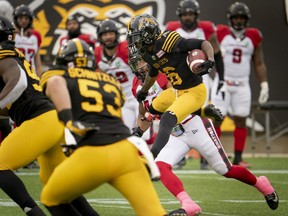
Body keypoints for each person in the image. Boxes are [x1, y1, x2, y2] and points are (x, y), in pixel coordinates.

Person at [129, 53, 279, 216]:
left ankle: (262, 184)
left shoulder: (164, 75)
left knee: (225, 170)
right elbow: (143, 112)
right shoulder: (136, 84)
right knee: (161, 165)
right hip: (174, 132)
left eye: (144, 62)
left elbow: (180, 100)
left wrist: (200, 111)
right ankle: (188, 204)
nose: (141, 66)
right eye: (138, 64)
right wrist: (138, 131)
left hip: (194, 125)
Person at [39, 38, 169, 216]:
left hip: (93, 152)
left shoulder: (60, 77)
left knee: (49, 197)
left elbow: (54, 84)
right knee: (153, 212)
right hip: (125, 152)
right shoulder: (110, 81)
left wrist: (68, 118)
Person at [0, 16, 99, 216]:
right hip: (50, 119)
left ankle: (33, 212)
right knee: (57, 188)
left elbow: (18, 84)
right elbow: (12, 101)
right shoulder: (13, 55)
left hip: (39, 121)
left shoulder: (4, 56)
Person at [127, 14, 215, 159]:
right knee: (151, 107)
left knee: (167, 118)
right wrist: (144, 91)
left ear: (148, 34)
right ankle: (202, 112)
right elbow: (153, 74)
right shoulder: (147, 53)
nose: (134, 41)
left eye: (136, 36)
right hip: (177, 91)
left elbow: (203, 43)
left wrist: (210, 60)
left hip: (194, 91)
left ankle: (152, 154)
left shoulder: (166, 41)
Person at [166, 0, 225, 170]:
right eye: (185, 14)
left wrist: (220, 77)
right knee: (178, 114)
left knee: (204, 113)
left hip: (200, 78)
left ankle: (207, 156)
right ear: (180, 15)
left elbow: (218, 54)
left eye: (191, 14)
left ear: (196, 15)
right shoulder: (172, 29)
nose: (188, 17)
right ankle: (180, 155)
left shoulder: (206, 28)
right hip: (178, 78)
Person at [211, 2, 269, 167]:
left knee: (241, 120)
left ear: (247, 19)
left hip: (242, 83)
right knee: (217, 119)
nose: (238, 21)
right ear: (230, 18)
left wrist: (264, 84)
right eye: (235, 17)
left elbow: (259, 63)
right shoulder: (220, 33)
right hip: (223, 82)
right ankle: (214, 156)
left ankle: (238, 158)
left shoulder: (254, 36)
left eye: (241, 18)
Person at [94, 19, 139, 132]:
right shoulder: (97, 53)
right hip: (122, 101)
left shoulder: (124, 49)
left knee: (145, 134)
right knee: (126, 132)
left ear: (116, 35)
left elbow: (142, 70)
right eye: (105, 34)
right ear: (100, 37)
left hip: (138, 96)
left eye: (111, 33)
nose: (108, 37)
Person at [13, 4, 42, 77]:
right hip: (14, 74)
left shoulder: (36, 36)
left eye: (26, 18)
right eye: (20, 18)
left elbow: (38, 62)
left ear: (30, 20)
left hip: (31, 75)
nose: (23, 21)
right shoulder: (11, 35)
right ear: (15, 19)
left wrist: (40, 78)